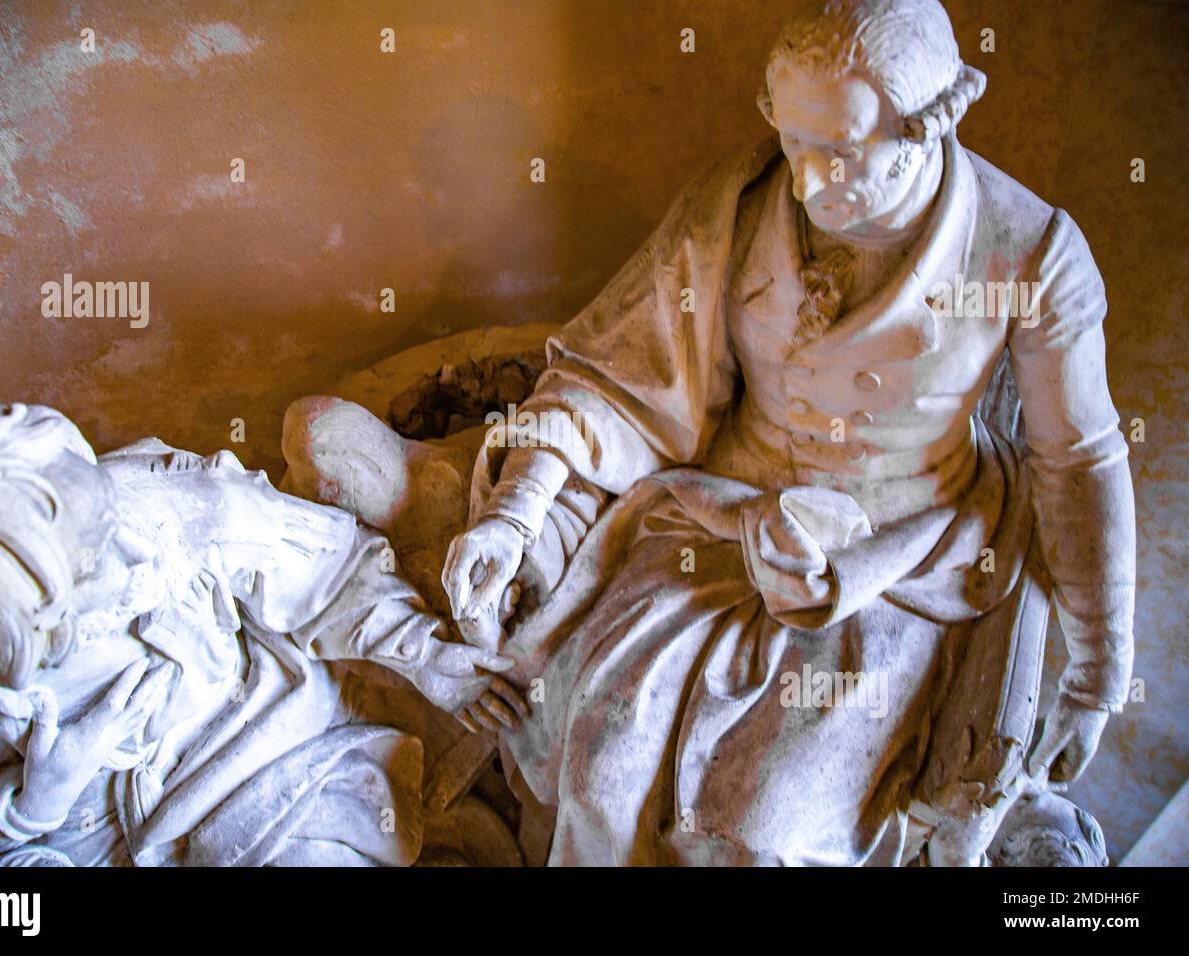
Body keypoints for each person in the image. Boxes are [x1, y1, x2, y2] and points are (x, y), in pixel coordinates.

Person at [442, 0, 1136, 865]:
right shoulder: (737, 203)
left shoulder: (1030, 252)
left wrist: (1098, 674)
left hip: (895, 564)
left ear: (932, 125)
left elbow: (1077, 460)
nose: (806, 184)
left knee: (761, 833)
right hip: (712, 526)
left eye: (842, 155)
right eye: (794, 142)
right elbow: (615, 379)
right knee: (598, 774)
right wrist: (517, 511)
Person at [0, 403, 518, 865]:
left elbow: (328, 565)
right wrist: (28, 804)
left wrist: (424, 655)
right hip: (94, 839)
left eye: (108, 530)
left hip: (263, 738)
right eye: (95, 577)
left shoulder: (153, 505)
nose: (130, 558)